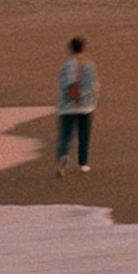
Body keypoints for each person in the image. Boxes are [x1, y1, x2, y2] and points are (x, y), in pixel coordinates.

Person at [54, 36, 98, 174]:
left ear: (71, 49)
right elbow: (94, 85)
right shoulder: (90, 65)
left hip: (67, 106)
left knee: (66, 135)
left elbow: (62, 84)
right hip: (86, 106)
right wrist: (93, 100)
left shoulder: (66, 66)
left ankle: (64, 155)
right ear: (83, 48)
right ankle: (83, 163)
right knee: (84, 135)